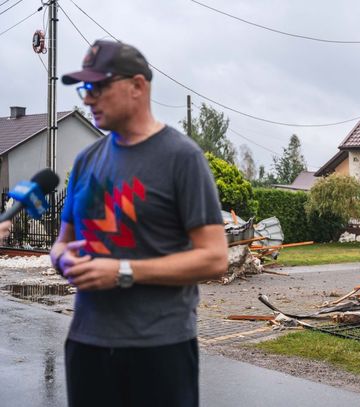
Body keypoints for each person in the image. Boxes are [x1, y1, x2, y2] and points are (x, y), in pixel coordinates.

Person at [50, 40, 228, 407]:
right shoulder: (86, 161)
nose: (88, 98)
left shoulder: (182, 158)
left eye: (98, 86)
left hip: (159, 349)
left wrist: (123, 272)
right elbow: (61, 244)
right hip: (86, 344)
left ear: (137, 86)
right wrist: (63, 259)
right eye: (85, 88)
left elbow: (214, 258)